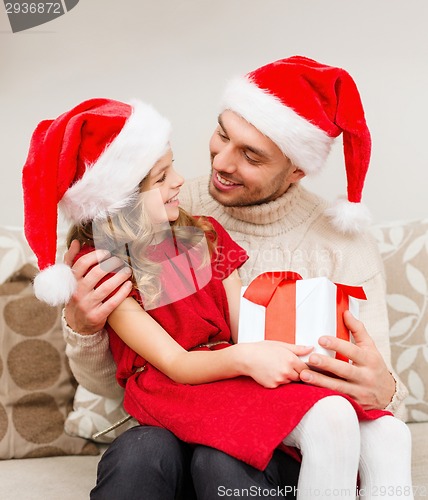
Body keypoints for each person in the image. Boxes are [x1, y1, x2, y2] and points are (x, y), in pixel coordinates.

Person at [22, 94, 413, 500]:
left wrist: (301, 358)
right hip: (177, 385)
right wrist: (82, 324)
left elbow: (244, 324)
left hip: (228, 372)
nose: (180, 179)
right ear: (118, 200)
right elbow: (175, 362)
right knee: (324, 419)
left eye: (252, 156)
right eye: (161, 177)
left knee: (385, 430)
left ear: (295, 169)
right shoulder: (108, 265)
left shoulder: (200, 232)